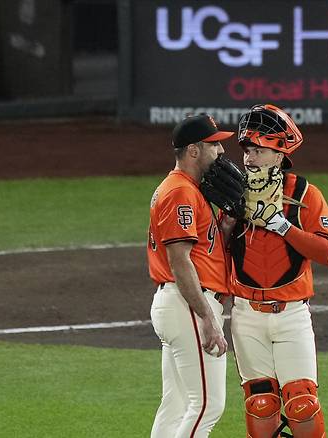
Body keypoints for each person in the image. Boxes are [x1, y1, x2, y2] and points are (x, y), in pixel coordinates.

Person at [219, 104, 328, 438]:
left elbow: (326, 252)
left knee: (302, 403)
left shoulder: (305, 194)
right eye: (247, 150)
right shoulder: (233, 194)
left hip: (291, 315)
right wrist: (227, 223)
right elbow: (214, 252)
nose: (249, 157)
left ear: (279, 154)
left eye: (259, 150)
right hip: (246, 313)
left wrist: (282, 226)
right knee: (260, 402)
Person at [147, 114, 234, 437]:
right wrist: (207, 318)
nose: (221, 152)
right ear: (194, 151)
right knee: (208, 405)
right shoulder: (179, 192)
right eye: (214, 145)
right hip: (189, 304)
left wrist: (226, 225)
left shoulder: (192, 191)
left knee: (176, 405)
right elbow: (179, 260)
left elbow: (202, 250)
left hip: (178, 304)